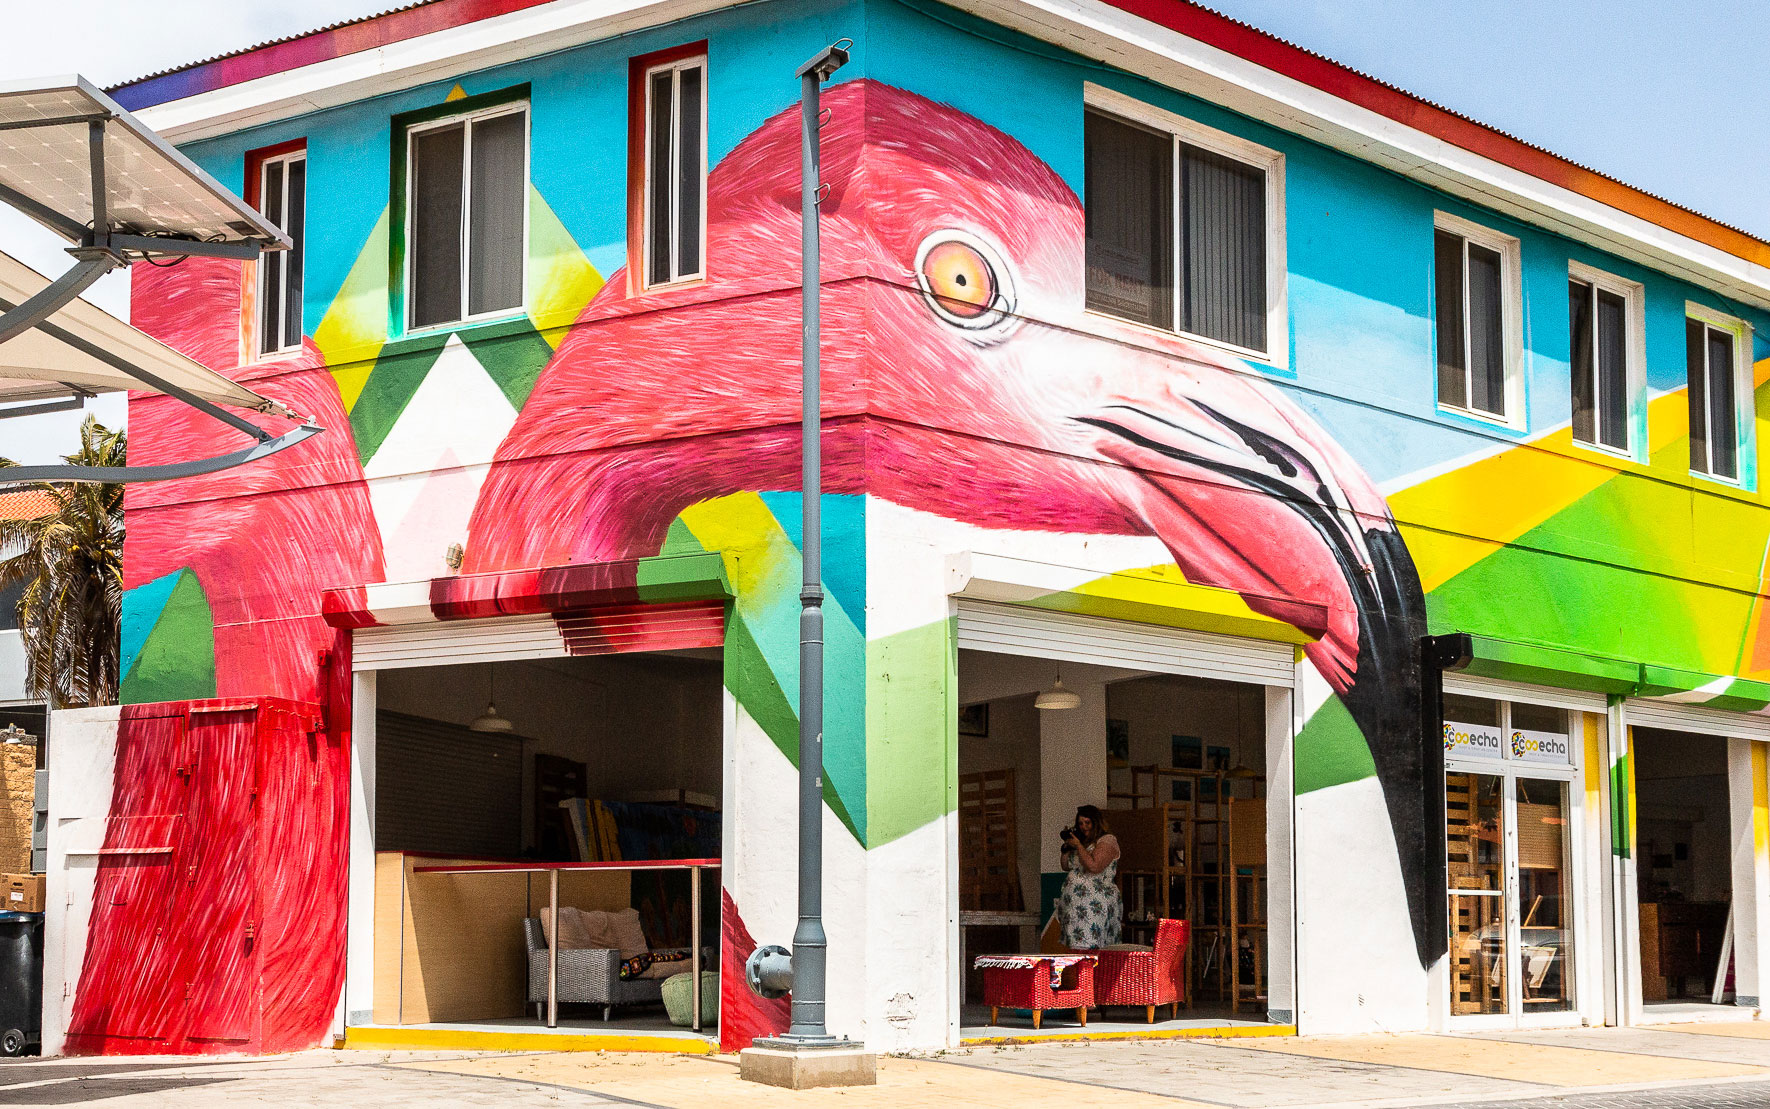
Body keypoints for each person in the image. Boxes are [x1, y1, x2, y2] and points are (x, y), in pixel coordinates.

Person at [1057, 804, 1122, 949]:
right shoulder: (1084, 842)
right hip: (1075, 907)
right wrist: (1067, 847)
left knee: (1091, 946)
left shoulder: (1107, 840)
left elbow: (1094, 866)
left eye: (1087, 823)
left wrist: (1079, 846)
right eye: (1080, 823)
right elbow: (1066, 865)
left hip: (1094, 904)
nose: (1084, 827)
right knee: (1075, 947)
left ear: (1096, 822)